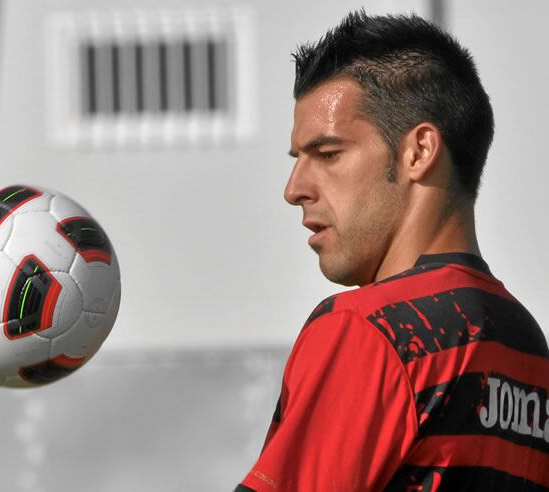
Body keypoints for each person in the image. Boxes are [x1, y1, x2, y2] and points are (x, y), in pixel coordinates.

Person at [235, 10, 549, 491]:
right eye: (297, 159)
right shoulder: (525, 343)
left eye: (328, 154)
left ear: (419, 151)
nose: (294, 188)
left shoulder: (368, 329)